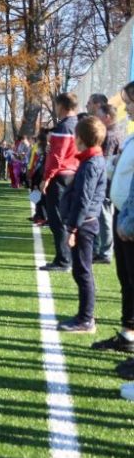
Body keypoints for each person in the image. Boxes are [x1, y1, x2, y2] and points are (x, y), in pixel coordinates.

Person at [94, 82, 134, 373]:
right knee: (127, 279)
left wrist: (129, 220)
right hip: (124, 215)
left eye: (130, 102)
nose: (127, 107)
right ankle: (128, 335)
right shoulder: (131, 137)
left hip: (129, 219)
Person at [58, 116, 108, 333]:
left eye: (75, 136)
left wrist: (72, 229)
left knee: (82, 271)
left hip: (84, 225)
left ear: (81, 138)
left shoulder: (91, 164)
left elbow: (83, 200)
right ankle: (84, 315)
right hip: (84, 223)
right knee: (80, 270)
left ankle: (86, 319)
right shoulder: (91, 160)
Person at [40, 93, 81, 273]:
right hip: (72, 174)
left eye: (56, 105)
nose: (55, 109)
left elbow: (57, 157)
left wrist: (46, 178)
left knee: (57, 219)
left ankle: (64, 260)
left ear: (62, 106)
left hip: (60, 176)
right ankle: (62, 257)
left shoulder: (64, 126)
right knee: (62, 218)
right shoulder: (78, 124)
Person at [94, 96, 122, 264]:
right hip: (109, 180)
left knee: (104, 215)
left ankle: (105, 252)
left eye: (99, 116)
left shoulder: (109, 135)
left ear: (107, 117)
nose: (96, 119)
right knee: (103, 214)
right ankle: (102, 249)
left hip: (107, 181)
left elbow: (106, 160)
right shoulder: (113, 132)